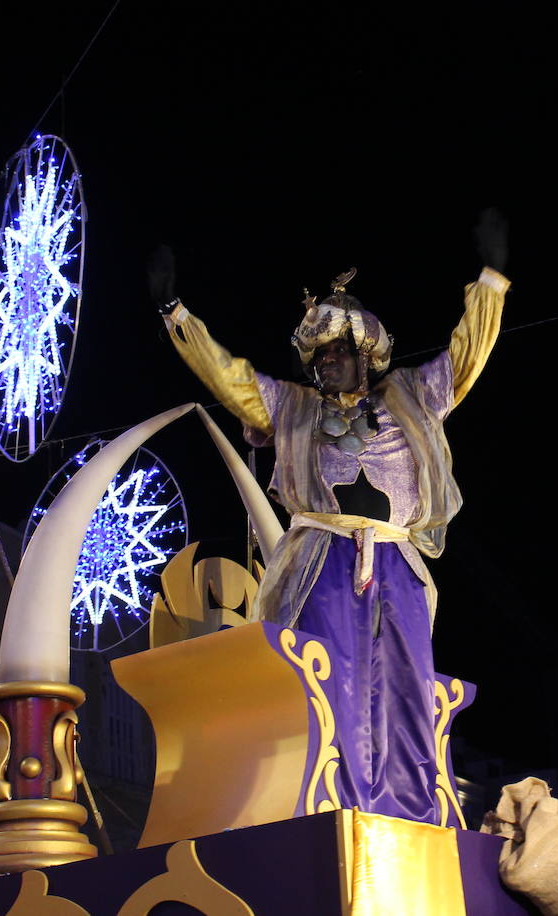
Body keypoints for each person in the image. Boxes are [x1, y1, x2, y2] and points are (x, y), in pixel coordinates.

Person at [151, 213, 509, 823]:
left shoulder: (412, 395)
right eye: (317, 356)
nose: (325, 364)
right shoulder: (291, 407)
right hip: (321, 560)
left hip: (395, 560)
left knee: (405, 687)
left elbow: (466, 353)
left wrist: (491, 284)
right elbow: (227, 375)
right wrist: (176, 314)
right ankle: (328, 805)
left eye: (337, 352)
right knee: (329, 676)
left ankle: (410, 810)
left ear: (363, 355)